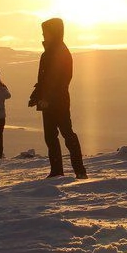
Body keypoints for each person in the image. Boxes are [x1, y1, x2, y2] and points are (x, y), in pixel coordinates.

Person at [28, 18, 86, 178]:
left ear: (53, 32)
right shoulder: (47, 53)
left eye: (45, 32)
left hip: (58, 101)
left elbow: (60, 80)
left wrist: (47, 97)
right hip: (47, 102)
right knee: (50, 137)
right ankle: (56, 171)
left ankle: (80, 171)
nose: (43, 35)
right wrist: (36, 96)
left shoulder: (61, 52)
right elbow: (43, 80)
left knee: (67, 134)